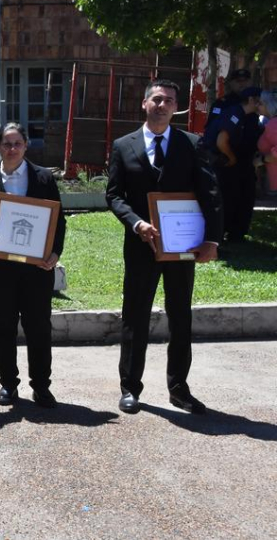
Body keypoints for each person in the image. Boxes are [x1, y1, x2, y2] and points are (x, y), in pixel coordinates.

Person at [106, 79, 222, 415]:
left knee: (181, 317)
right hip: (142, 244)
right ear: (144, 104)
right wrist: (136, 223)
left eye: (169, 100)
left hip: (182, 247)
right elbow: (113, 195)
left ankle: (179, 389)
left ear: (176, 107)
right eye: (157, 99)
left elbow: (210, 193)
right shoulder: (123, 146)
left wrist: (211, 240)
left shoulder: (192, 144)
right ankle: (130, 388)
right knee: (135, 316)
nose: (162, 105)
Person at [0, 123, 66, 408]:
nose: (11, 149)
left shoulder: (43, 178)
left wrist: (55, 253)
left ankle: (41, 386)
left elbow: (59, 220)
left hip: (36, 267)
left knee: (38, 326)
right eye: (6, 144)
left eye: (17, 143)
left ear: (26, 146)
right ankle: (8, 384)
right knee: (3, 325)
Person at [213, 87, 262, 244]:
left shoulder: (248, 116)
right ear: (251, 100)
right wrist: (232, 158)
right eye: (258, 100)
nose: (261, 104)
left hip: (239, 163)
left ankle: (235, 234)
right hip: (225, 162)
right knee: (228, 198)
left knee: (242, 197)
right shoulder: (235, 113)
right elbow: (221, 141)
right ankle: (220, 235)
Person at [256, 91, 277, 193]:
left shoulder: (273, 124)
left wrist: (261, 160)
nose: (257, 106)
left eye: (260, 103)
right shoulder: (270, 122)